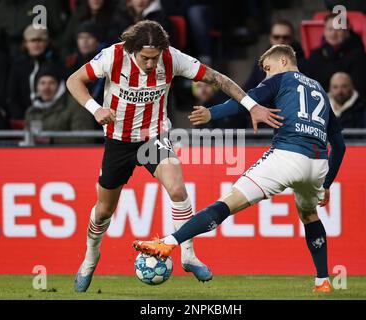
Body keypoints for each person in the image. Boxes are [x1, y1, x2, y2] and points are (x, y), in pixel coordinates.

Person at [66, 20, 278, 292]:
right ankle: (91, 257)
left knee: (178, 189)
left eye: (155, 58)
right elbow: (74, 80)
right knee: (105, 209)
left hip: (154, 138)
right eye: (146, 58)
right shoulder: (113, 56)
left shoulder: (172, 58)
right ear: (132, 49)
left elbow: (218, 79)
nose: (152, 64)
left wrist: (252, 106)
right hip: (118, 141)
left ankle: (188, 255)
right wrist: (95, 108)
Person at [133, 44, 346, 293]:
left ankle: (167, 243)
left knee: (226, 203)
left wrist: (211, 113)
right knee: (309, 215)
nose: (267, 75)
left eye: (268, 69)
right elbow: (340, 146)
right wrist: (327, 183)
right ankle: (322, 281)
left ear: (284, 62)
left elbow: (246, 102)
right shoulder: (319, 89)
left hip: (287, 156)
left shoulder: (280, 80)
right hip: (318, 163)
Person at [306, 13, 366, 100]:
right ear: (324, 31)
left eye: (338, 29)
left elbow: (361, 90)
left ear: (347, 30)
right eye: (330, 29)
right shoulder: (316, 55)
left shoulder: (359, 56)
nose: (333, 33)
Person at [25, 63, 95, 144]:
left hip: (67, 155)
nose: (46, 88)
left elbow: (85, 138)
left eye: (51, 83)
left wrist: (52, 140)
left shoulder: (76, 105)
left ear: (59, 86)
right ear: (36, 87)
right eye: (42, 83)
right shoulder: (32, 110)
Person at [6, 24, 63, 120]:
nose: (36, 44)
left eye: (40, 40)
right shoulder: (18, 65)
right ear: (25, 43)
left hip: (53, 117)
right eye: (32, 40)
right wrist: (20, 117)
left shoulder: (56, 64)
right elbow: (12, 95)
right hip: (23, 118)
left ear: (47, 42)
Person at [244, 19, 306, 91]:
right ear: (270, 38)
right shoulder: (260, 64)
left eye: (285, 37)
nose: (281, 41)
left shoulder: (304, 65)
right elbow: (247, 90)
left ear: (292, 39)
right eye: (276, 37)